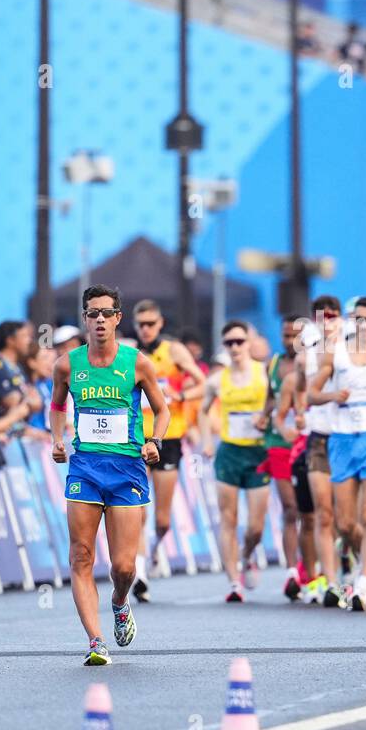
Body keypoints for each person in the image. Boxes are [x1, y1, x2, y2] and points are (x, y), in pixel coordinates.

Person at [50, 285, 169, 665]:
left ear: (118, 318)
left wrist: (156, 441)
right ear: (85, 319)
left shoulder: (139, 363)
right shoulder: (68, 364)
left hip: (127, 469)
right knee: (81, 556)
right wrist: (57, 438)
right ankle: (96, 641)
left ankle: (119, 601)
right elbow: (55, 405)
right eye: (92, 313)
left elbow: (162, 411)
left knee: (124, 566)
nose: (99, 319)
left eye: (106, 313)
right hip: (85, 467)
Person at [308, 297, 366, 611]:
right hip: (342, 440)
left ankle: (363, 583)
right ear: (352, 321)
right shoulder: (335, 354)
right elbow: (312, 393)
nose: (364, 325)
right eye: (358, 319)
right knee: (346, 522)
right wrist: (333, 394)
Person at [129, 299, 207, 599]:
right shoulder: (129, 353)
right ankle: (140, 573)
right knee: (137, 509)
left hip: (167, 439)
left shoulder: (174, 351)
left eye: (151, 324)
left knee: (161, 519)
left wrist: (180, 394)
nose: (146, 329)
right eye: (141, 325)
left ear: (160, 324)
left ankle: (155, 549)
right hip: (135, 438)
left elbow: (203, 384)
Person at [199, 321, 273, 603]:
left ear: (249, 343)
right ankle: (233, 582)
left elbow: (280, 401)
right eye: (229, 343)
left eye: (239, 342)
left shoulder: (263, 373)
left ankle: (247, 554)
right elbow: (203, 411)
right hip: (229, 452)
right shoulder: (217, 380)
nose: (235, 348)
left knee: (255, 526)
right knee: (228, 519)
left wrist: (266, 419)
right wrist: (207, 441)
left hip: (257, 453)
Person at [255, 315, 309, 601]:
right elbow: (270, 397)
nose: (290, 342)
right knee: (290, 508)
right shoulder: (273, 364)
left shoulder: (315, 364)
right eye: (286, 336)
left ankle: (314, 567)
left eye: (296, 336)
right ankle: (291, 572)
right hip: (279, 441)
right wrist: (264, 417)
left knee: (312, 511)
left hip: (309, 441)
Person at [295, 295, 345, 605]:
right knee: (323, 514)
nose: (327, 321)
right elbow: (302, 389)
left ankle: (355, 568)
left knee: (349, 520)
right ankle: (332, 581)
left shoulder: (356, 352)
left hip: (349, 438)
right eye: (322, 316)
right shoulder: (306, 356)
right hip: (318, 438)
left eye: (333, 316)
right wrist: (302, 411)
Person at [0, 321, 41, 424]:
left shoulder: (17, 367)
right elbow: (11, 401)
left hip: (19, 430)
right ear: (10, 340)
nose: (29, 341)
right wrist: (27, 399)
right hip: (1, 433)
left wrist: (24, 399)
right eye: (24, 336)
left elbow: (37, 403)